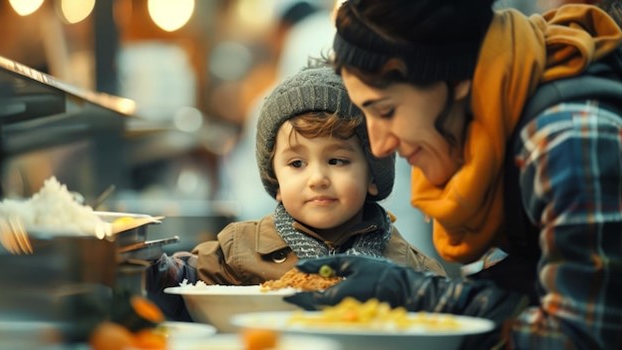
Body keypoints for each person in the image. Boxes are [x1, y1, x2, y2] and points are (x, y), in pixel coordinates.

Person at [283, 1, 622, 349]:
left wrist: (416, 297)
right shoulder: (496, 139)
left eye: (386, 110)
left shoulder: (565, 139)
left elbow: (580, 337)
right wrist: (410, 292)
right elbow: (523, 300)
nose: (380, 146)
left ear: (455, 79)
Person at [146, 65, 446, 320]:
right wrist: (156, 268)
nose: (317, 178)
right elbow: (185, 285)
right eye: (297, 163)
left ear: (372, 176)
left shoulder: (408, 267)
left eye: (337, 161)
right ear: (275, 181)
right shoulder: (240, 249)